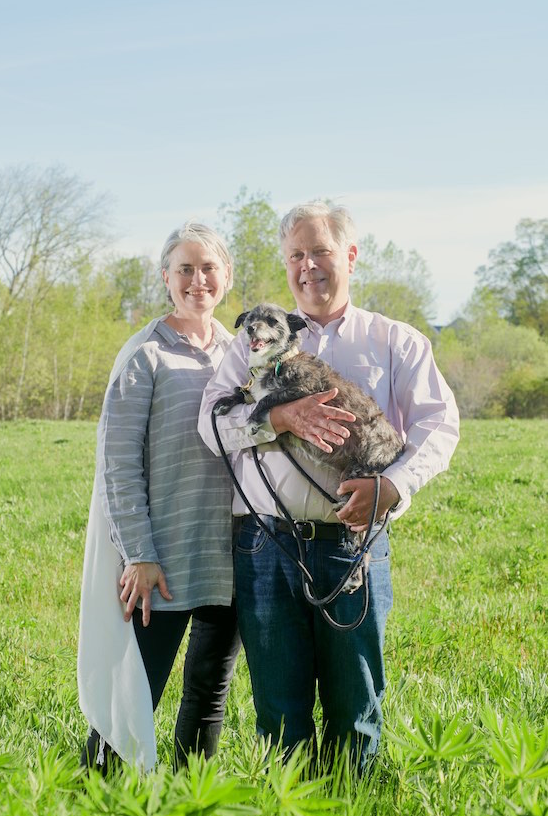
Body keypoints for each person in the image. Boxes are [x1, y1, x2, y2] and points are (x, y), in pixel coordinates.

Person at [198, 202, 459, 772]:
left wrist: (391, 487)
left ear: (350, 256)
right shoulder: (252, 343)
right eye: (296, 255)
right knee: (278, 710)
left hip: (353, 546)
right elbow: (209, 422)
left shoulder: (396, 342)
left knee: (355, 708)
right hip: (264, 543)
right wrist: (279, 419)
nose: (308, 266)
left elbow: (439, 426)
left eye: (320, 252)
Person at [78, 222, 241, 773]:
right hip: (161, 561)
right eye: (185, 270)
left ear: (227, 276)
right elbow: (117, 464)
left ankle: (192, 796)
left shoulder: (238, 354)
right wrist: (139, 555)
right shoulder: (145, 354)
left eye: (209, 268)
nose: (198, 280)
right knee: (135, 689)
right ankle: (99, 796)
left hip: (226, 555)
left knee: (208, 692)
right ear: (166, 278)